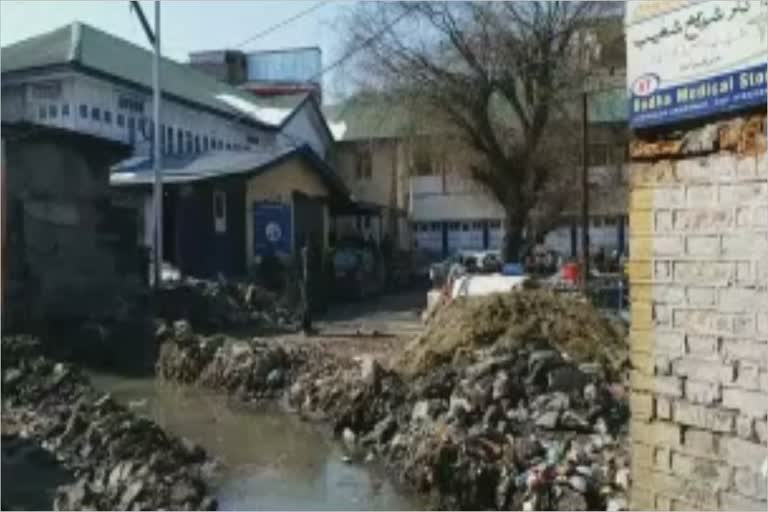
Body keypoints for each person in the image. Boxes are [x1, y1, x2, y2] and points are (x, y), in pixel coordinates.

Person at [300, 237, 316, 335]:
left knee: (307, 306)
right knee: (307, 306)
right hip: (306, 281)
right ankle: (306, 328)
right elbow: (307, 268)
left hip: (306, 281)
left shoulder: (304, 252)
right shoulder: (306, 252)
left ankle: (307, 327)